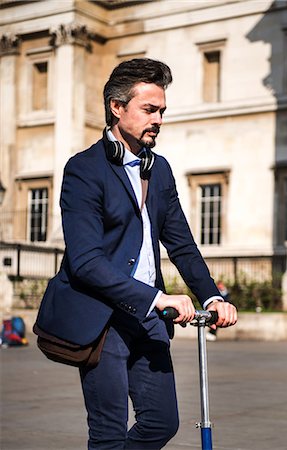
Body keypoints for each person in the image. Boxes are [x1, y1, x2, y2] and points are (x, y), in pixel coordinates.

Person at [36, 58, 237, 449]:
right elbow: (86, 261)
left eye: (161, 110)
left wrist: (211, 294)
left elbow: (181, 243)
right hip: (104, 319)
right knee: (109, 434)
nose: (158, 118)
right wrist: (157, 297)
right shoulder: (84, 170)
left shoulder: (159, 169)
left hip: (149, 320)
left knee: (162, 422)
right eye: (149, 109)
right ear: (117, 107)